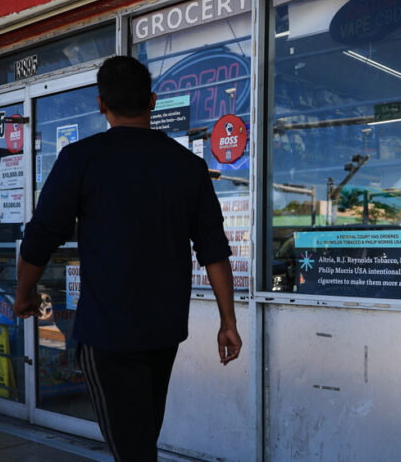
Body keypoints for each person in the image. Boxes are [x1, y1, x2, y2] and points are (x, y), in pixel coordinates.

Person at [13, 55, 242, 460]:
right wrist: (228, 321)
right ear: (152, 100)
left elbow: (40, 237)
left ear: (102, 104)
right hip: (164, 332)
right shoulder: (188, 167)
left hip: (108, 335)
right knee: (140, 442)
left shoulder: (81, 159)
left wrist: (24, 293)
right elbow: (214, 249)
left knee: (132, 450)